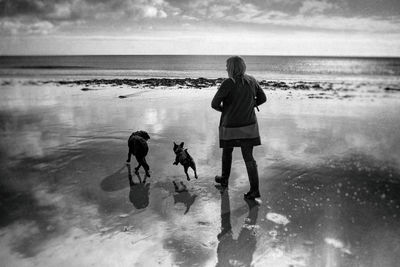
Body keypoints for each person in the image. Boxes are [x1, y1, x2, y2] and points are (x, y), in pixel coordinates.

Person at [211, 56, 266, 199]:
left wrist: (226, 110)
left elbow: (214, 104)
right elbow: (263, 98)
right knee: (249, 158)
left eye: (227, 66)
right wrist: (251, 105)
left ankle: (224, 179)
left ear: (231, 68)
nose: (226, 69)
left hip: (230, 126)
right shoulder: (252, 81)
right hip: (249, 126)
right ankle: (255, 190)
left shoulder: (228, 83)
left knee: (227, 153)